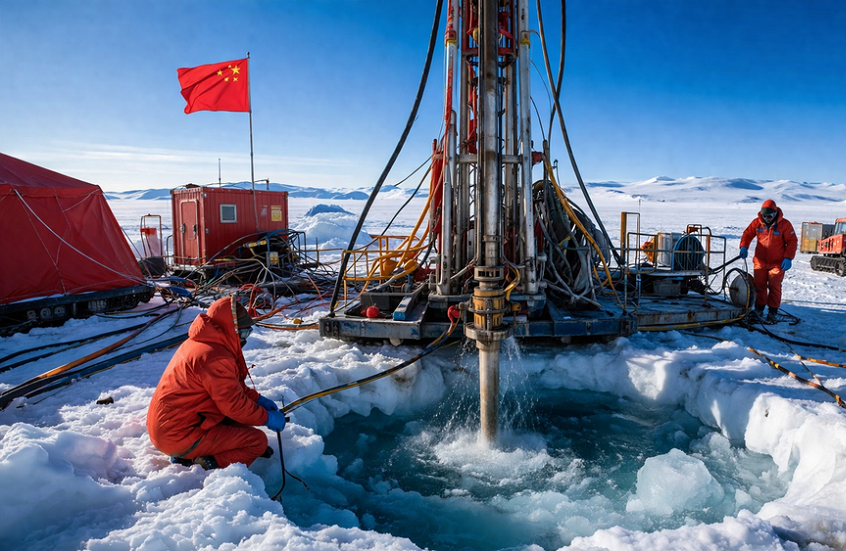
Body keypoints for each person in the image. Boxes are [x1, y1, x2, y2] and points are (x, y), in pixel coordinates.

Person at [146, 295, 287, 470]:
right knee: (257, 441)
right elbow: (235, 406)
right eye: (243, 333)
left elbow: (232, 389)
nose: (244, 339)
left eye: (248, 333)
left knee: (244, 422)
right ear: (230, 329)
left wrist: (259, 400)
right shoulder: (215, 358)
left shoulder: (200, 343)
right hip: (179, 435)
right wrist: (267, 418)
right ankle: (202, 461)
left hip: (170, 427)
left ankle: (196, 451)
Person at [739, 199, 797, 324]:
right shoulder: (757, 222)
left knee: (774, 286)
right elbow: (747, 234)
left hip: (777, 263)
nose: (766, 218)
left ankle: (772, 312)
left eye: (769, 216)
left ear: (775, 213)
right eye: (764, 216)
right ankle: (759, 310)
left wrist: (788, 257)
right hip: (760, 261)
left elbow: (792, 241)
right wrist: (744, 246)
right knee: (759, 286)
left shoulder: (785, 225)